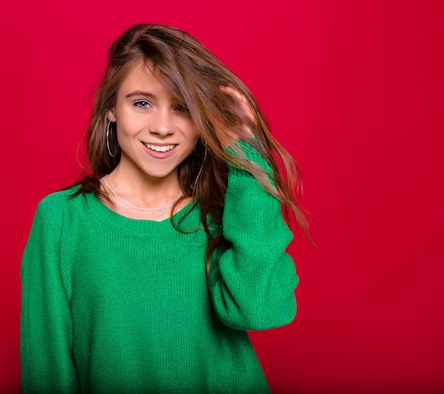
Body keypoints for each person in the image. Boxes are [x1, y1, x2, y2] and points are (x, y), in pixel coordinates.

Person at [20, 23, 309, 394]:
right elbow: (46, 371)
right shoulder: (62, 219)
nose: (161, 126)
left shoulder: (220, 216)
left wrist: (245, 153)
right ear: (111, 109)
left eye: (182, 107)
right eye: (142, 103)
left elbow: (259, 310)